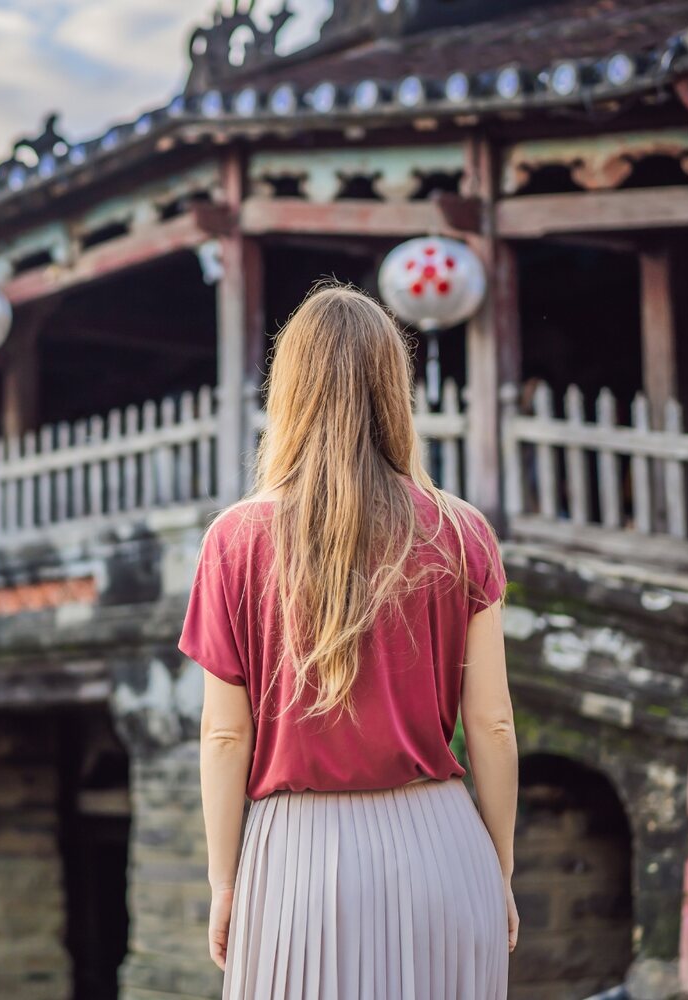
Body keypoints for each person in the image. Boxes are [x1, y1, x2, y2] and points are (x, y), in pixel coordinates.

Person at [180, 283, 519, 999]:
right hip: (446, 851)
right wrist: (501, 866)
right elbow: (491, 724)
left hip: (296, 860)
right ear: (394, 391)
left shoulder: (236, 540)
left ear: (290, 390)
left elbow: (223, 738)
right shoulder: (462, 532)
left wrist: (223, 880)